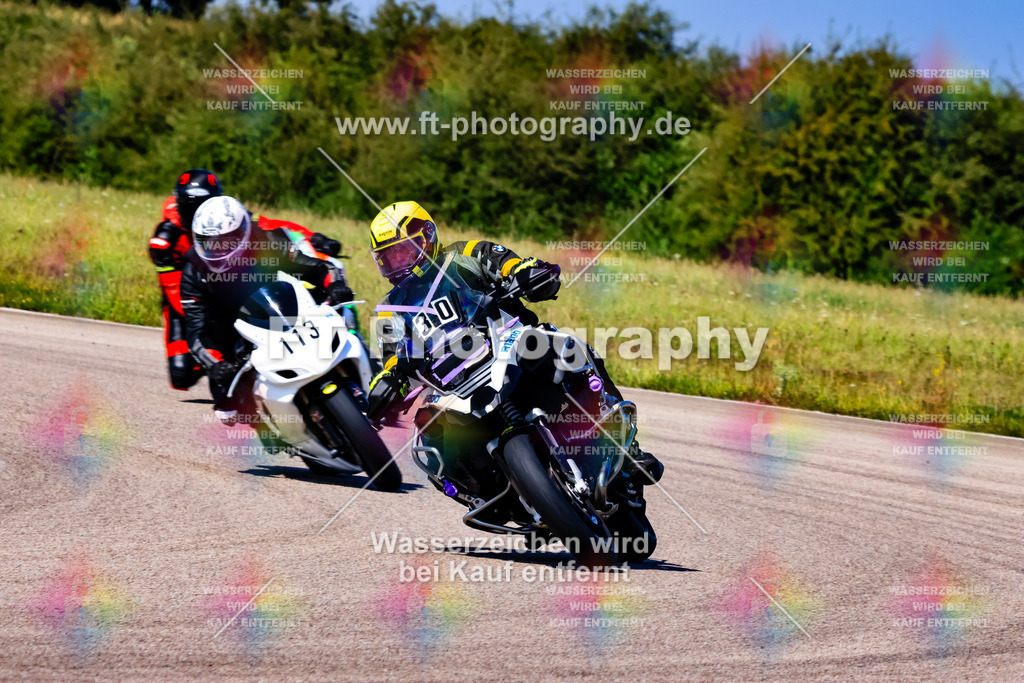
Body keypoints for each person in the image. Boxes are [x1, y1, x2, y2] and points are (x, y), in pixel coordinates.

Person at [363, 200, 663, 483]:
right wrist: (387, 382)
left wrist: (528, 273)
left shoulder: (465, 254)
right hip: (452, 387)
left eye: (402, 251)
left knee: (569, 347)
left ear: (425, 237)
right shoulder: (389, 309)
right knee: (430, 437)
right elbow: (392, 360)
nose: (397, 262)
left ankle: (629, 451)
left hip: (511, 346)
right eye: (389, 256)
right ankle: (485, 492)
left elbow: (510, 265)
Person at [180, 195, 354, 423]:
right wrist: (217, 365)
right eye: (208, 243)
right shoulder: (193, 273)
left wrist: (335, 285)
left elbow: (314, 267)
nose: (217, 251)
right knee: (231, 411)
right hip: (233, 338)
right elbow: (196, 334)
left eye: (224, 242)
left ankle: (358, 376)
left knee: (343, 315)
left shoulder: (266, 240)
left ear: (243, 233)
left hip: (280, 309)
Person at [148, 169, 224, 390]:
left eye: (202, 205)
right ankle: (209, 358)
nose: (195, 213)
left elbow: (267, 225)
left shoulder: (227, 218)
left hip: (225, 291)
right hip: (185, 302)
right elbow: (172, 289)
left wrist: (311, 238)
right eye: (188, 205)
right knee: (181, 376)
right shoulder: (165, 239)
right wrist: (204, 315)